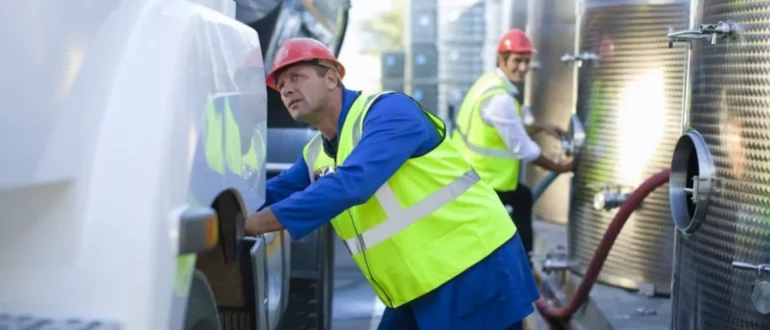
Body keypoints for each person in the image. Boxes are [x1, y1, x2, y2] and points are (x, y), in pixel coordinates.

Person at [244, 37, 541, 330]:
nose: (287, 90)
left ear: (332, 78)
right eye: (281, 85)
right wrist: (225, 209)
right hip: (418, 282)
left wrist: (257, 223)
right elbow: (272, 191)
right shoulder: (316, 154)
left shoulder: (390, 113)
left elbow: (354, 183)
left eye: (296, 77)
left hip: (472, 266)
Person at [451, 28, 574, 256]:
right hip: (486, 182)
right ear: (502, 59)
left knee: (522, 198)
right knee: (521, 205)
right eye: (517, 61)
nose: (523, 68)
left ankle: (518, 265)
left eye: (527, 61)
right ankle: (522, 267)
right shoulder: (500, 100)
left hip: (467, 177)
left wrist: (541, 127)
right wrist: (561, 167)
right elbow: (524, 150)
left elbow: (504, 130)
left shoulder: (487, 84)